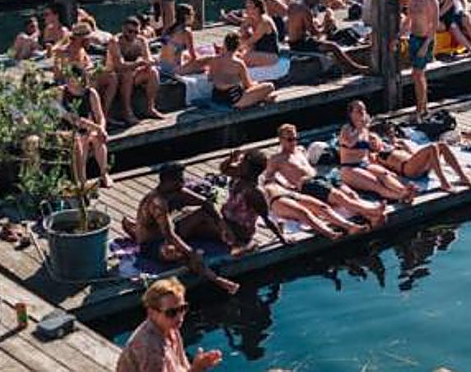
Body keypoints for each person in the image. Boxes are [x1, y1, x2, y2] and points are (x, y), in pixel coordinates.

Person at [122, 163, 240, 294]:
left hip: (172, 229)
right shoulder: (157, 202)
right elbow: (169, 235)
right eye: (180, 180)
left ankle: (226, 240)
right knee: (176, 253)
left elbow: (207, 204)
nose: (183, 183)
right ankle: (216, 279)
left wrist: (223, 226)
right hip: (153, 243)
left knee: (202, 214)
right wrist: (190, 253)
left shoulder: (178, 191)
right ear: (168, 182)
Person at [221, 148, 362, 243]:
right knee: (303, 212)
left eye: (242, 161)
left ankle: (349, 226)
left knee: (322, 207)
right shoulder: (256, 182)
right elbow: (267, 218)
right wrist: (282, 238)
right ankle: (329, 233)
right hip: (275, 198)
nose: (239, 163)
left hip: (286, 191)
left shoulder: (257, 179)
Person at [264, 123, 387, 226]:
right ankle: (371, 211)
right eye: (290, 140)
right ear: (280, 140)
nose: (293, 142)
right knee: (340, 198)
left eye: (295, 138)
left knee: (351, 194)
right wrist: (286, 187)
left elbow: (310, 166)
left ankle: (370, 217)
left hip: (322, 178)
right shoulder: (276, 159)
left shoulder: (300, 150)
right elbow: (268, 179)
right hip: (308, 183)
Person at [116, 278, 223, 372]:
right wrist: (198, 369)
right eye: (171, 312)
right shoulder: (150, 348)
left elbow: (183, 367)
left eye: (182, 308)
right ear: (152, 312)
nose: (179, 317)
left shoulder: (170, 328)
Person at [338, 100, 417, 202]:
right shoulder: (346, 129)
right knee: (375, 182)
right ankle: (401, 196)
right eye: (358, 110)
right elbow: (350, 143)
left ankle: (404, 191)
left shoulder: (365, 130)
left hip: (365, 164)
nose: (362, 112)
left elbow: (371, 152)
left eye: (364, 110)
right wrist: (360, 128)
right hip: (349, 168)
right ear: (351, 114)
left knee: (385, 174)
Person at [371, 120, 471, 192]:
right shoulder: (375, 155)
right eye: (370, 141)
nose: (372, 142)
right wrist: (398, 180)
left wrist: (401, 145)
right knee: (433, 147)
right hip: (407, 169)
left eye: (373, 139)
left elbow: (413, 155)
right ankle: (444, 182)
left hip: (417, 165)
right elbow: (381, 171)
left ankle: (462, 177)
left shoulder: (398, 144)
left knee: (441, 145)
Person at [286, 0, 367, 74]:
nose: (316, 5)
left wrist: (319, 26)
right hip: (301, 45)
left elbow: (296, 25)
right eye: (316, 2)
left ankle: (350, 67)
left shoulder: (293, 5)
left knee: (327, 42)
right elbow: (314, 33)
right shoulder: (306, 10)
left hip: (292, 43)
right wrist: (326, 26)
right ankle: (354, 67)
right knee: (334, 46)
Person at [60, 67, 112, 187]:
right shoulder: (61, 92)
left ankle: (104, 174)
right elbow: (73, 119)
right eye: (68, 77)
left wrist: (102, 128)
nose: (70, 80)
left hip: (89, 127)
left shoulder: (90, 93)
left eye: (73, 77)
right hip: (69, 128)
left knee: (98, 138)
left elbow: (100, 116)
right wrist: (96, 128)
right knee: (81, 141)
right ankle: (82, 180)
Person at [105, 16, 162, 125]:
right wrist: (139, 63)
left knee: (153, 72)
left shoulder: (141, 40)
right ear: (123, 29)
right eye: (130, 31)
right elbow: (119, 65)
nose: (133, 35)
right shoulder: (115, 42)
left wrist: (150, 62)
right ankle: (127, 111)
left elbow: (148, 58)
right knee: (127, 74)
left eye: (136, 32)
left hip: (134, 73)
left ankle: (150, 107)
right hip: (115, 76)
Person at [207, 32, 276, 109]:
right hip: (233, 99)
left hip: (216, 97)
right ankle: (261, 98)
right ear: (238, 46)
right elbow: (248, 85)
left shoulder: (214, 60)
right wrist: (256, 84)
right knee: (270, 86)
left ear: (225, 45)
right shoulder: (239, 64)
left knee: (253, 90)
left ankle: (262, 98)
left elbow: (210, 78)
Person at [407, 0, 439, 120]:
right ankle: (423, 106)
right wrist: (398, 35)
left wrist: (426, 45)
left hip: (424, 39)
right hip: (413, 37)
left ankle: (420, 108)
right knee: (417, 75)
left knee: (418, 73)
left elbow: (434, 25)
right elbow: (408, 20)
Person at [158, 4, 206, 78]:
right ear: (186, 16)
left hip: (162, 65)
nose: (193, 17)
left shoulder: (169, 29)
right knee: (204, 65)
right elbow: (194, 57)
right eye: (192, 14)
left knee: (185, 55)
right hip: (174, 69)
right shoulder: (186, 32)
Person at [235, 0, 281, 68]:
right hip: (257, 50)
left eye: (249, 7)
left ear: (258, 9)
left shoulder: (264, 22)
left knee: (239, 58)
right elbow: (239, 35)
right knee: (244, 35)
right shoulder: (250, 19)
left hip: (270, 55)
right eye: (246, 7)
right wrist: (243, 28)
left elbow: (251, 41)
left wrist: (231, 50)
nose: (246, 10)